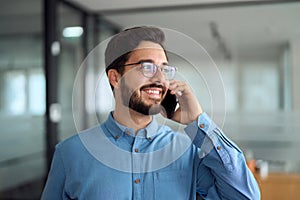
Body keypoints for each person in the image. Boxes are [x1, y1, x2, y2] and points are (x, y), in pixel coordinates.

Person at [41, 26, 260, 200]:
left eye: (164, 69)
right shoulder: (70, 154)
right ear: (116, 78)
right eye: (147, 67)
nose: (159, 78)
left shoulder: (187, 152)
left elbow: (245, 197)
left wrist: (197, 122)